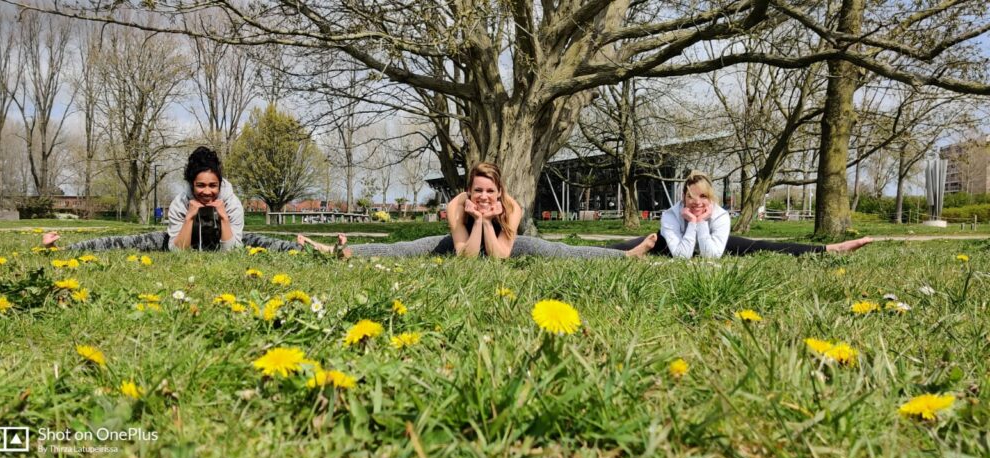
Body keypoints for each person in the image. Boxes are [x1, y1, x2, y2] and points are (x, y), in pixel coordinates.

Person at [299, 162, 658, 259]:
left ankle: (627, 256)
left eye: (489, 191)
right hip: (462, 245)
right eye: (478, 190)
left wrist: (488, 221)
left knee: (563, 251)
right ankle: (336, 250)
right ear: (469, 191)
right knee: (404, 249)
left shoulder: (511, 208)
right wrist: (476, 221)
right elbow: (467, 257)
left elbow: (499, 256)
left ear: (499, 191)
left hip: (506, 244)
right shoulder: (457, 206)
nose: (484, 196)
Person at [42, 147, 302, 252]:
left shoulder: (231, 202)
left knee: (265, 243)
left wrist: (222, 216)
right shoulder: (181, 202)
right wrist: (190, 216)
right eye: (201, 185)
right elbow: (177, 252)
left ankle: (326, 251)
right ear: (191, 184)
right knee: (130, 242)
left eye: (213, 185)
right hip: (181, 239)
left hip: (226, 238)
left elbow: (231, 252)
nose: (207, 191)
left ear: (220, 184)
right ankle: (65, 250)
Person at [607, 171, 872, 257]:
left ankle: (831, 248)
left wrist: (700, 223)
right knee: (632, 244)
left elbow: (710, 256)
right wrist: (691, 224)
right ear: (683, 196)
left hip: (712, 242)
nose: (696, 201)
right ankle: (588, 251)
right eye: (690, 196)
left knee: (762, 246)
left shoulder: (721, 217)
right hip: (675, 243)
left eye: (703, 196)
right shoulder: (670, 215)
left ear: (711, 197)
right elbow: (681, 256)